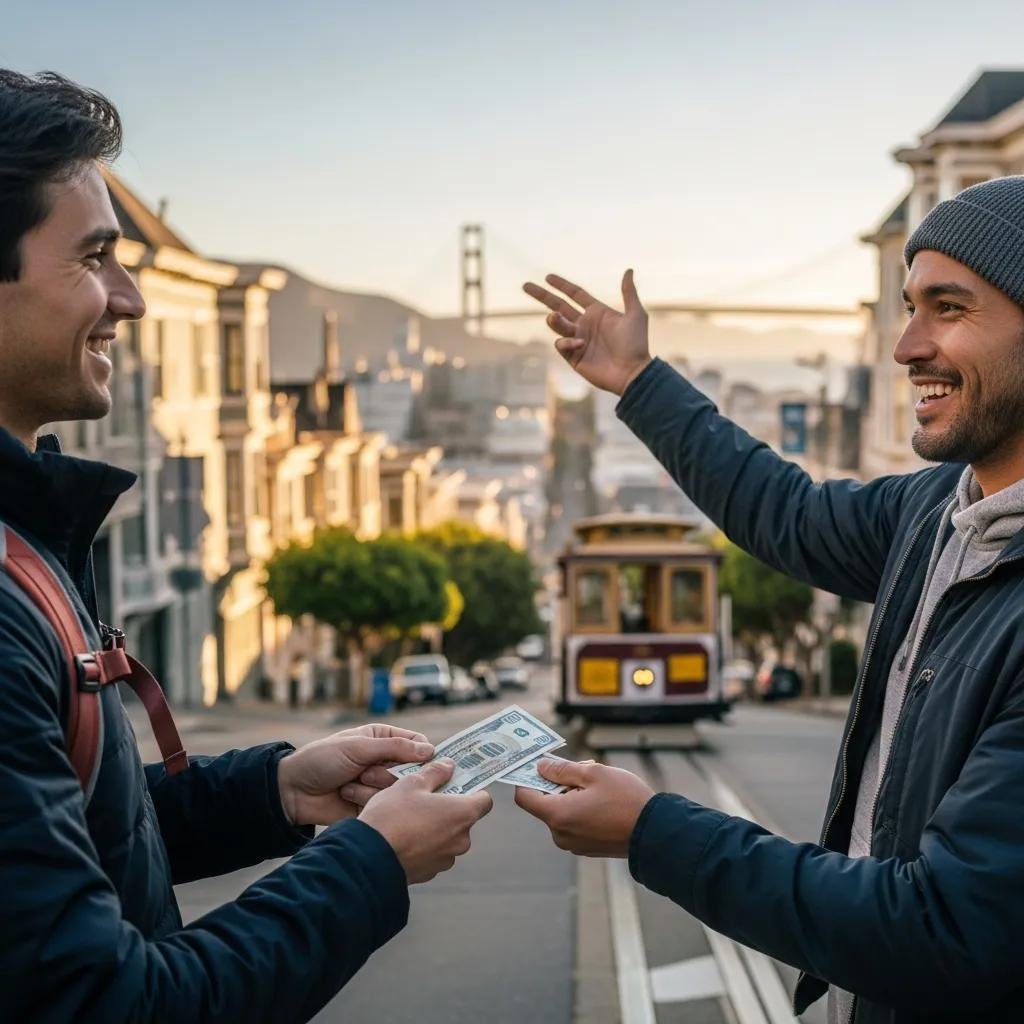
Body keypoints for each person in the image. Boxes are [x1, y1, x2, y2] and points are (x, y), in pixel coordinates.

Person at [0, 69, 491, 1023]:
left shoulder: (27, 534)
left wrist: (273, 793)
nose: (130, 300)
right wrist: (371, 864)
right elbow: (107, 1004)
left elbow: (62, 841)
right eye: (94, 258)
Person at [518, 175, 1024, 1023]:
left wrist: (655, 832)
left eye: (949, 308)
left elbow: (947, 928)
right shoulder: (934, 514)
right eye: (909, 307)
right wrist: (641, 382)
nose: (905, 347)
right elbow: (781, 508)